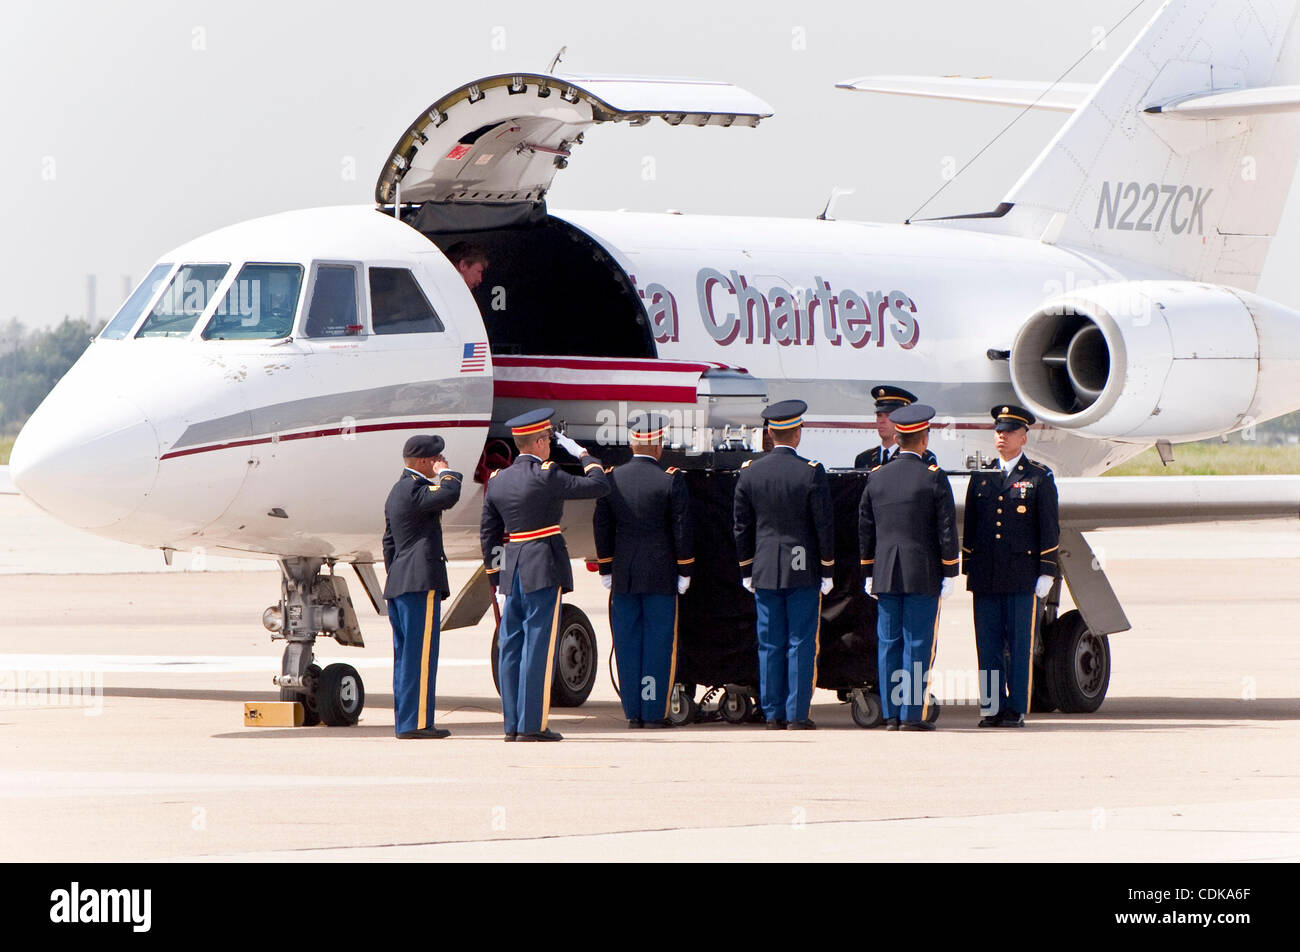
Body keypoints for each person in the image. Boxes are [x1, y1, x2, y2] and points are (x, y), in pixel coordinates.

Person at [480, 408, 609, 741]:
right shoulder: (548, 474)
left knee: (511, 644)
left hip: (512, 568)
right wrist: (583, 454)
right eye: (549, 439)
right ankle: (532, 725)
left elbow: (490, 534)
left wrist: (496, 576)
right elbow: (598, 484)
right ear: (538, 442)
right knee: (538, 644)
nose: (550, 445)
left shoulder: (498, 480)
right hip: (543, 564)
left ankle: (512, 724)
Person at [733, 399, 834, 730]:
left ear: (770, 433)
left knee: (770, 642)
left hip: (764, 565)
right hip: (801, 563)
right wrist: (828, 568)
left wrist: (747, 567)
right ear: (797, 434)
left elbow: (742, 527)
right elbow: (823, 526)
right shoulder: (810, 471)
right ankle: (796, 713)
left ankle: (773, 712)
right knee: (800, 641)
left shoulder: (750, 472)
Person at [858, 404, 958, 731]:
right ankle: (911, 715)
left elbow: (866, 528)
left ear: (898, 437)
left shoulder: (876, 477)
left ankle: (890, 714)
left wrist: (868, 571)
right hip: (922, 572)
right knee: (916, 645)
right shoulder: (933, 478)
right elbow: (946, 529)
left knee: (888, 644)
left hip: (885, 572)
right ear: (923, 439)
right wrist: (950, 570)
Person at [594, 412, 694, 729]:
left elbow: (602, 527)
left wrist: (606, 568)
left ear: (631, 442)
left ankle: (633, 712)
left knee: (626, 643)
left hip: (624, 574)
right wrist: (685, 568)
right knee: (658, 644)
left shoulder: (611, 479)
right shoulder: (670, 479)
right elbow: (682, 529)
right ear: (659, 444)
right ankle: (653, 712)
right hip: (661, 574)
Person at [963, 405, 1059, 728]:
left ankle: (1015, 707)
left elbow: (1048, 527)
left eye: (1008, 431)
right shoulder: (982, 476)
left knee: (1019, 646)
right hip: (987, 576)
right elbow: (972, 528)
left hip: (1021, 576)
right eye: (998, 430)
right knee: (988, 646)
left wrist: (1047, 569)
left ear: (1023, 436)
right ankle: (991, 708)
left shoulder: (1037, 477)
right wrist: (968, 566)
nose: (1001, 436)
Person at [381, 435, 463, 739]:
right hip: (419, 583)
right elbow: (449, 495)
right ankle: (416, 724)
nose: (440, 462)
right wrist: (446, 473)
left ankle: (407, 721)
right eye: (436, 458)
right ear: (425, 461)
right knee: (421, 654)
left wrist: (399, 573)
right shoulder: (416, 489)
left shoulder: (396, 491)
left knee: (405, 656)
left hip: (400, 582)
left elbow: (389, 543)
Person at [854, 385, 937, 468]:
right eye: (879, 415)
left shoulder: (922, 457)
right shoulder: (863, 459)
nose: (881, 421)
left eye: (888, 415)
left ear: (902, 419)